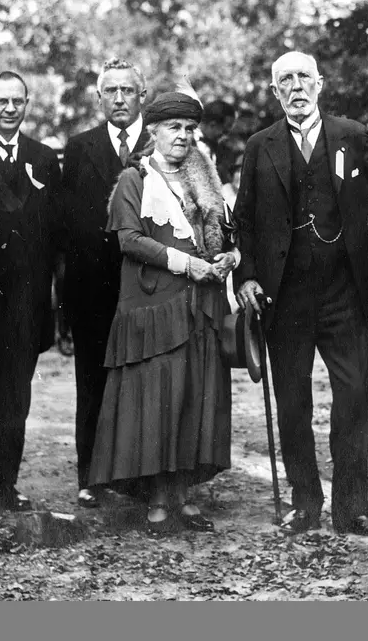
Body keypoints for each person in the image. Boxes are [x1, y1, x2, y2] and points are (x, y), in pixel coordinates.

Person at [234, 51, 368, 536]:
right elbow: (243, 219)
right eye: (285, 80)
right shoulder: (259, 147)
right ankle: (305, 503)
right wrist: (246, 275)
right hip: (284, 297)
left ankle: (353, 508)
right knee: (293, 403)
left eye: (303, 77)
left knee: (352, 398)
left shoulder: (350, 134)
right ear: (275, 91)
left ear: (320, 83)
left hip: (342, 293)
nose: (296, 86)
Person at [88, 91, 237, 533]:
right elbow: (129, 240)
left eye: (191, 129)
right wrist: (185, 263)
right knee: (158, 401)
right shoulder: (136, 180)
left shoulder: (204, 179)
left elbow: (225, 235)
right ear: (152, 131)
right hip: (155, 307)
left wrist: (231, 257)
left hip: (201, 308)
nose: (184, 137)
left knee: (194, 395)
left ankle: (183, 495)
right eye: (175, 127)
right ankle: (156, 498)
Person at [0, 71, 62, 516]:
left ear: (27, 104)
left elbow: (54, 232)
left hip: (25, 301)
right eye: (0, 101)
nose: (9, 109)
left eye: (17, 101)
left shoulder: (43, 157)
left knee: (14, 399)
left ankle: (4, 483)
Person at [60, 58, 150, 508]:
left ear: (142, 96)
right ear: (99, 98)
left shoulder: (161, 143)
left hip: (149, 285)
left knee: (144, 378)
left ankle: (140, 476)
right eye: (110, 91)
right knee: (92, 381)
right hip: (92, 289)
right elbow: (68, 224)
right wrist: (67, 298)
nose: (119, 99)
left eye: (127, 91)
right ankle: (91, 476)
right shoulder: (79, 148)